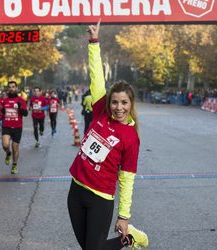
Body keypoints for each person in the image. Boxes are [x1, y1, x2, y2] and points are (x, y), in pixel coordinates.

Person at [67, 21, 149, 250]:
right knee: (90, 248)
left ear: (131, 104)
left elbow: (127, 178)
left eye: (124, 102)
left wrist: (123, 216)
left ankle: (130, 238)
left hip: (101, 198)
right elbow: (97, 77)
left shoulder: (131, 137)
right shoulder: (100, 111)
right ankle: (128, 240)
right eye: (115, 102)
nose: (119, 107)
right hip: (76, 190)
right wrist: (94, 42)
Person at [1, 81, 28, 174]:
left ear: (16, 88)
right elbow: (2, 112)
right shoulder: (4, 100)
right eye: (10, 87)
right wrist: (2, 111)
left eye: (13, 87)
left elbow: (25, 114)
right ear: (8, 89)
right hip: (6, 126)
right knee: (5, 145)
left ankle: (14, 165)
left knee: (15, 147)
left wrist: (20, 108)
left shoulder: (21, 100)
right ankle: (8, 153)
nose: (11, 88)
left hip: (17, 127)